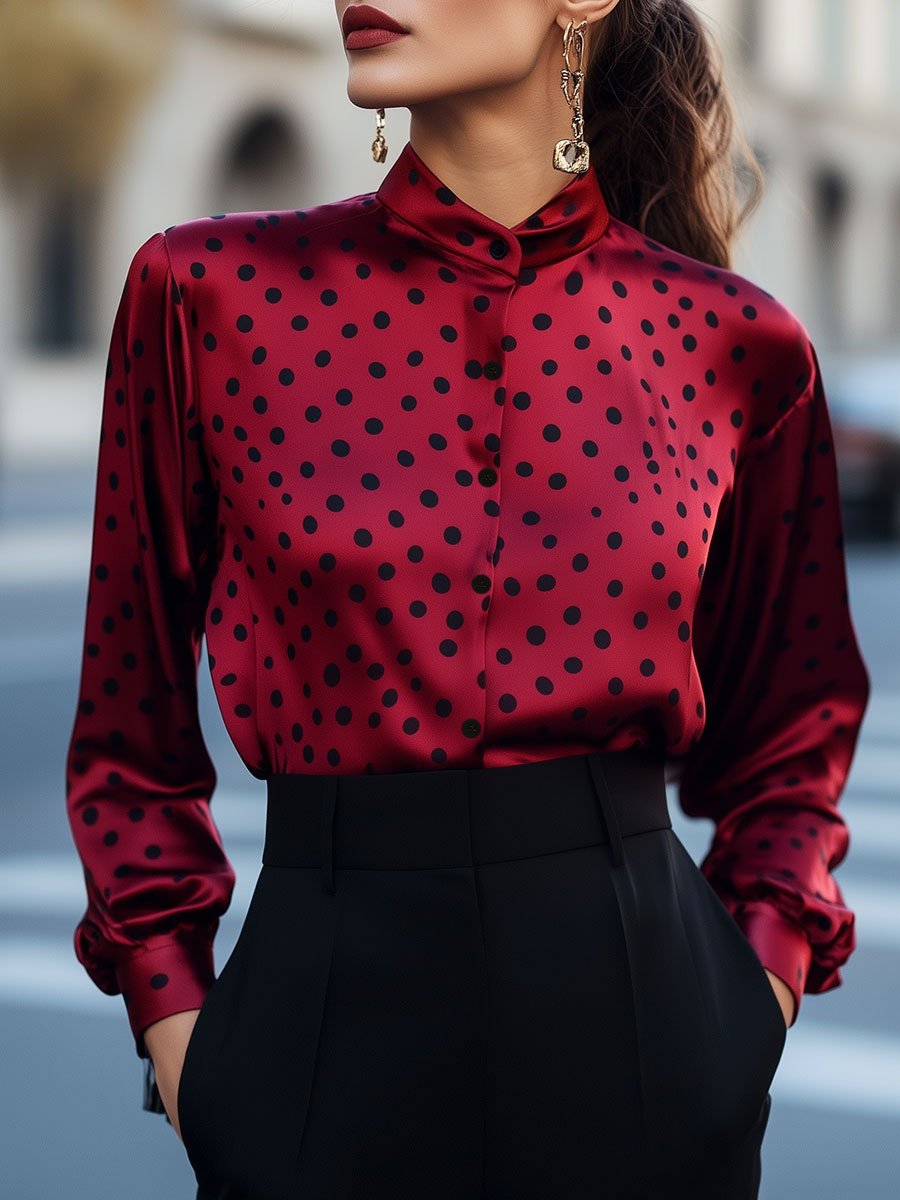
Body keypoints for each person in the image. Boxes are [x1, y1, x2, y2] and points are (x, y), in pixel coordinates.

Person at [64, 2, 871, 1197]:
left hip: (655, 1054)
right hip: (313, 1051)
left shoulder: (737, 344)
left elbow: (794, 733)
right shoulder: (207, 294)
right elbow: (127, 738)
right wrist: (190, 1047)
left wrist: (749, 1005)